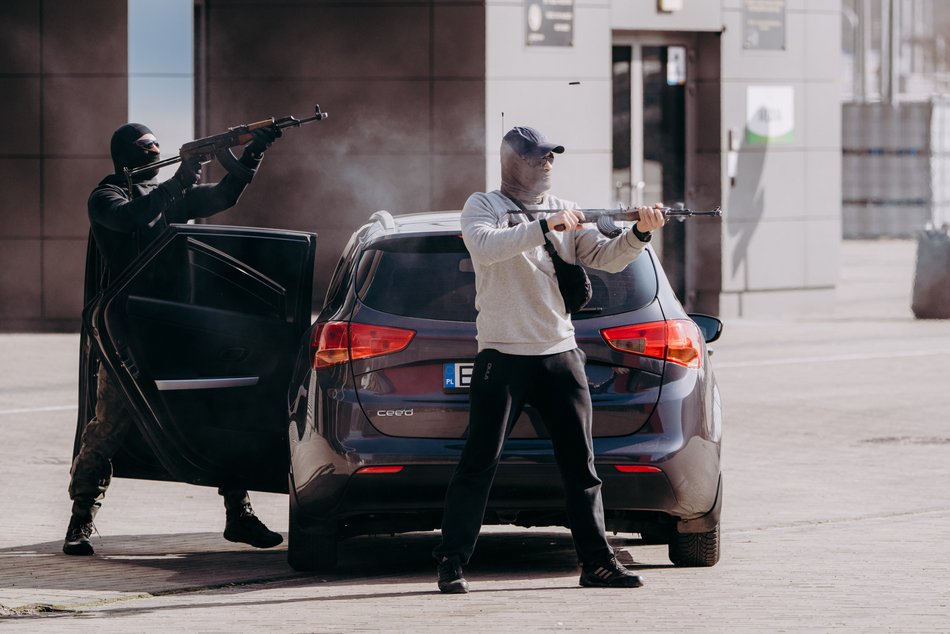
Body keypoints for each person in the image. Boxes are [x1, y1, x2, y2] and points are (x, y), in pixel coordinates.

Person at [432, 126, 667, 593]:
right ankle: (451, 564)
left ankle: (597, 565)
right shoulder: (483, 206)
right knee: (479, 463)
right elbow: (485, 246)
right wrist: (543, 227)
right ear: (512, 161)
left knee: (581, 466)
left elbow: (606, 257)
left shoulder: (564, 208)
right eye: (539, 157)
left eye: (552, 157)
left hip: (560, 353)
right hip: (503, 355)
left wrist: (640, 233)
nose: (547, 164)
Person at [63, 121, 284, 556]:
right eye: (147, 146)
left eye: (158, 146)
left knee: (222, 415)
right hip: (127, 334)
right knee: (108, 426)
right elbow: (131, 219)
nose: (155, 151)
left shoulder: (169, 195)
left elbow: (223, 196)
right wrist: (182, 176)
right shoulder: (108, 195)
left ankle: (238, 514)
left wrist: (253, 152)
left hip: (174, 328)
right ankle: (80, 521)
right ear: (126, 153)